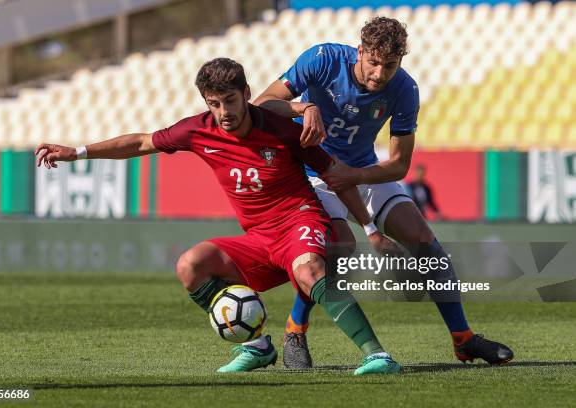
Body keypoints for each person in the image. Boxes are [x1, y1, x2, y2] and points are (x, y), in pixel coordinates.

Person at [34, 58, 401, 375]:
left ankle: (377, 355)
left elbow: (336, 177)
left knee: (309, 271)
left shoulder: (283, 132)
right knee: (190, 266)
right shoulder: (197, 130)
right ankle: (257, 347)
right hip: (258, 239)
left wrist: (369, 227)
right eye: (214, 103)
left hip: (299, 223)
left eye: (230, 100)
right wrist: (77, 152)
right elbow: (142, 142)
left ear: (246, 93)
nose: (224, 111)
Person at [254, 17, 513, 368]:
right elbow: (263, 104)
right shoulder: (323, 59)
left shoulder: (405, 89)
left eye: (389, 66)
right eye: (373, 62)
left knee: (424, 240)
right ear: (359, 52)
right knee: (339, 247)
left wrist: (354, 175)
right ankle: (295, 329)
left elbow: (399, 165)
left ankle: (463, 340)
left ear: (400, 62)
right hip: (313, 173)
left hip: (361, 170)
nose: (379, 74)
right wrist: (305, 107)